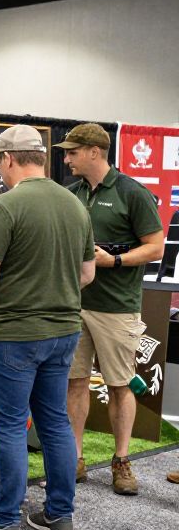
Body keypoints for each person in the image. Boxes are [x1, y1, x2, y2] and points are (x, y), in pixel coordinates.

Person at [0, 125, 95, 530]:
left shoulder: (6, 206)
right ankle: (59, 514)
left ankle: (3, 521)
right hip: (63, 331)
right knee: (54, 421)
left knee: (11, 426)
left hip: (12, 333)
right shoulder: (74, 205)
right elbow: (87, 273)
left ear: (8, 160)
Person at [57, 123, 164, 495]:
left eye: (72, 151)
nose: (66, 158)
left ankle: (121, 460)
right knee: (75, 382)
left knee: (120, 385)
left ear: (94, 152)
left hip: (116, 308)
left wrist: (113, 261)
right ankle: (75, 456)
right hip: (74, 305)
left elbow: (156, 248)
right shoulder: (71, 194)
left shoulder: (132, 193)